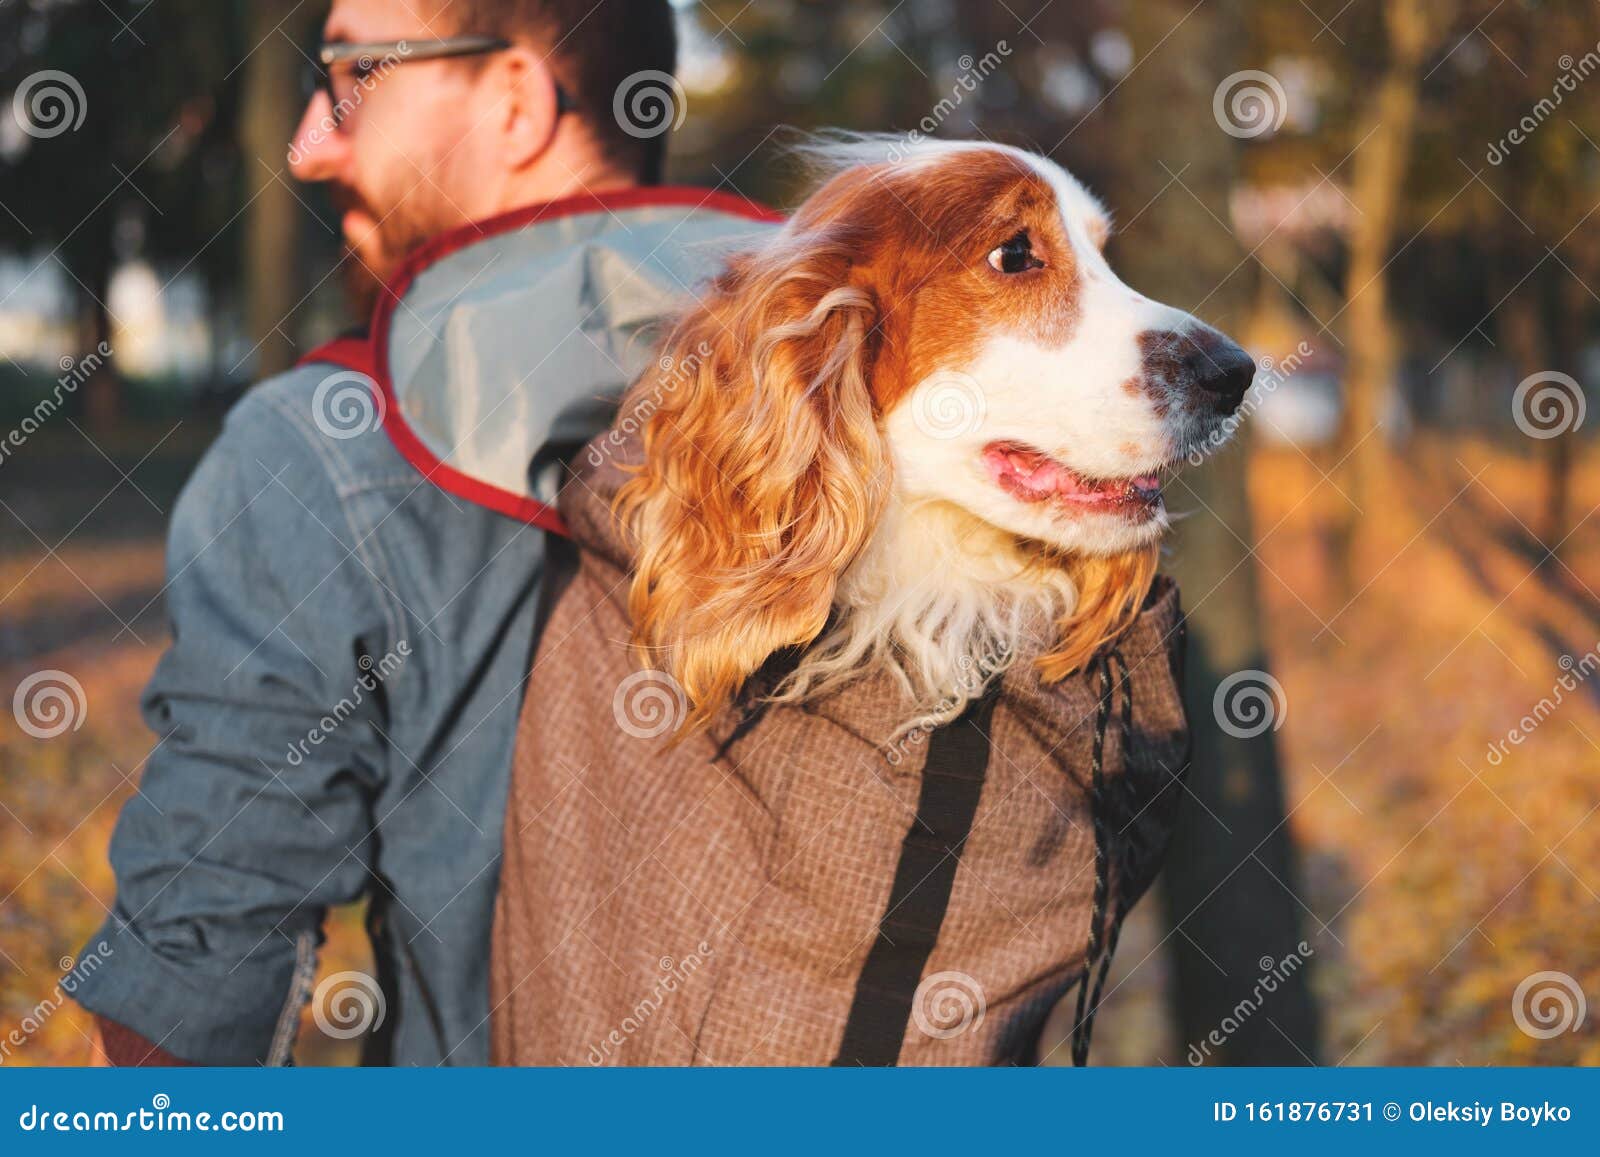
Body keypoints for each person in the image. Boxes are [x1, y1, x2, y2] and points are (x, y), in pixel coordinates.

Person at [71, 0, 779, 1066]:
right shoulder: (904, 401)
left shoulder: (323, 451)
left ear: (514, 100)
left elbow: (193, 994)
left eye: (354, 74)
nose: (312, 147)